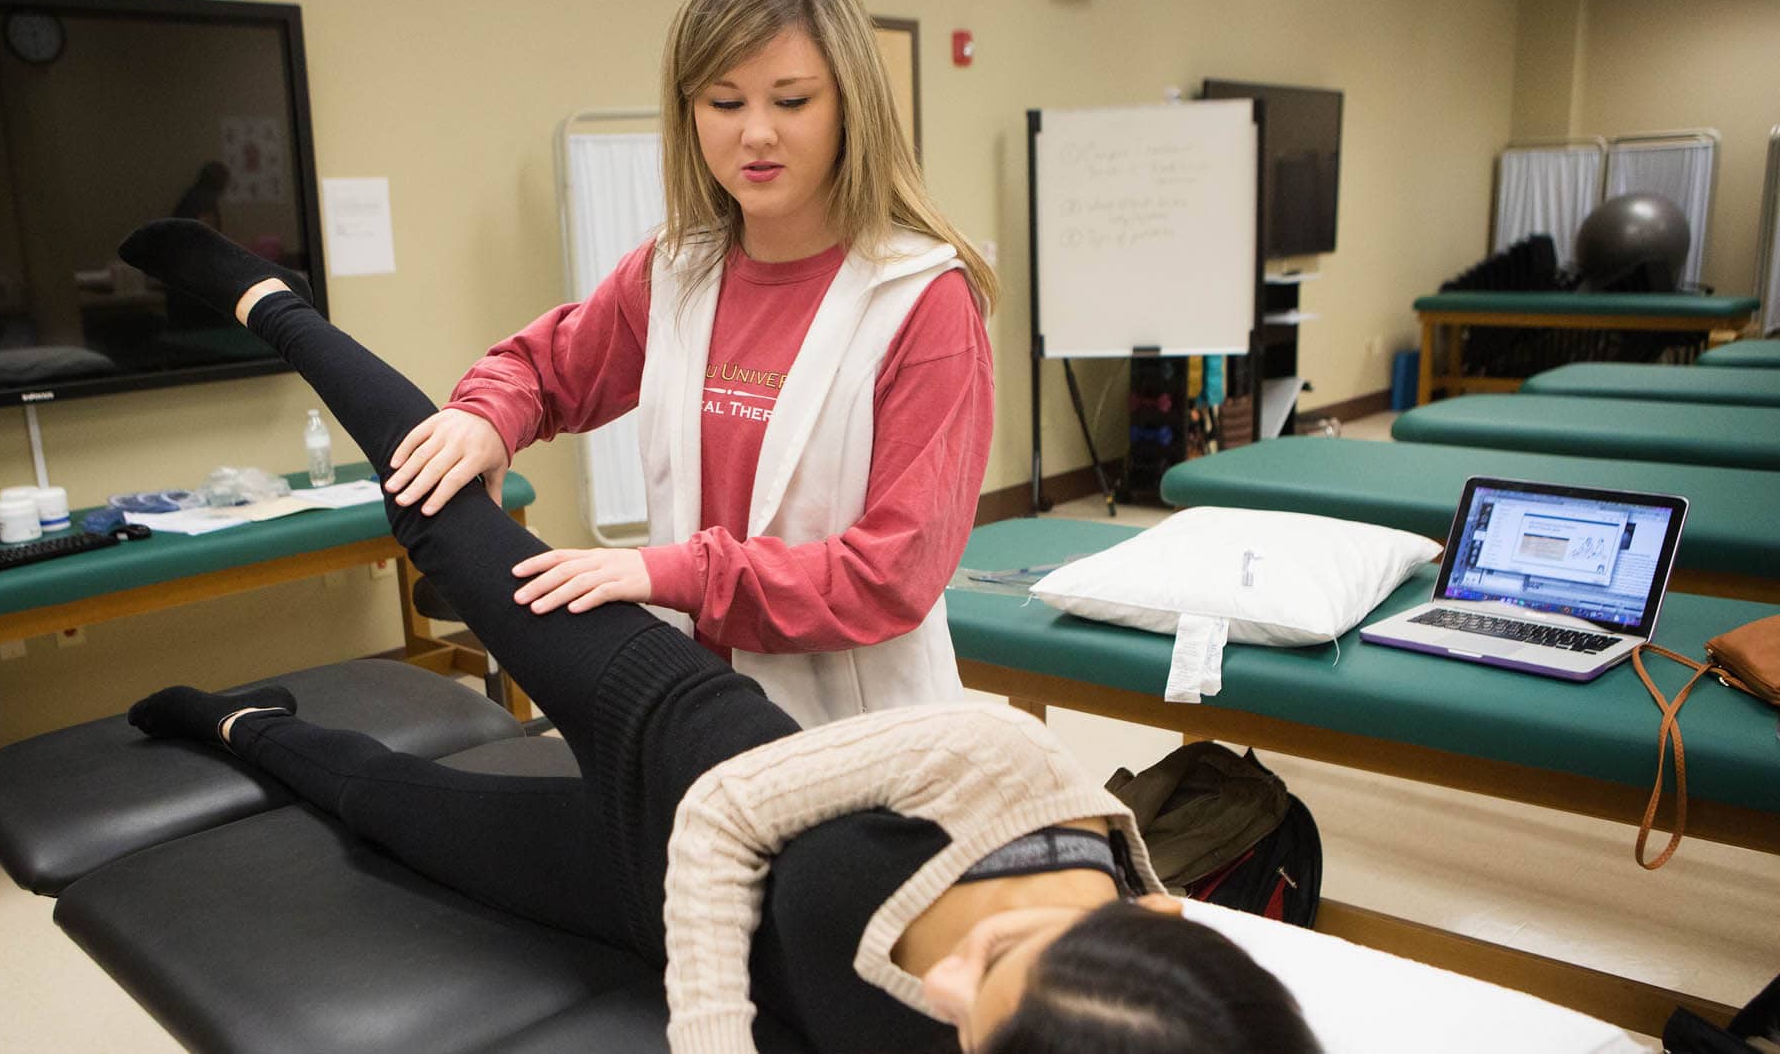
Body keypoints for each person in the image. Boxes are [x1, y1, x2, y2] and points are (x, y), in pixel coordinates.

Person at [114, 217, 1319, 1054]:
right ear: (1145, 914)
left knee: (389, 816)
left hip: (651, 897)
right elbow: (732, 814)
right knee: (446, 521)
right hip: (698, 755)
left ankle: (243, 728)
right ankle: (273, 305)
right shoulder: (1017, 782)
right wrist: (509, 433)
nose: (941, 985)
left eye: (972, 1022)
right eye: (994, 956)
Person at [382, 0, 999, 726]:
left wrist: (668, 571)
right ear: (689, 111)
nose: (757, 135)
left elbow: (892, 573)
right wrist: (484, 413)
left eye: (792, 100)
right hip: (690, 712)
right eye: (725, 101)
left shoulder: (922, 302)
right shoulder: (675, 273)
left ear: (850, 101)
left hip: (855, 733)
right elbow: (549, 367)